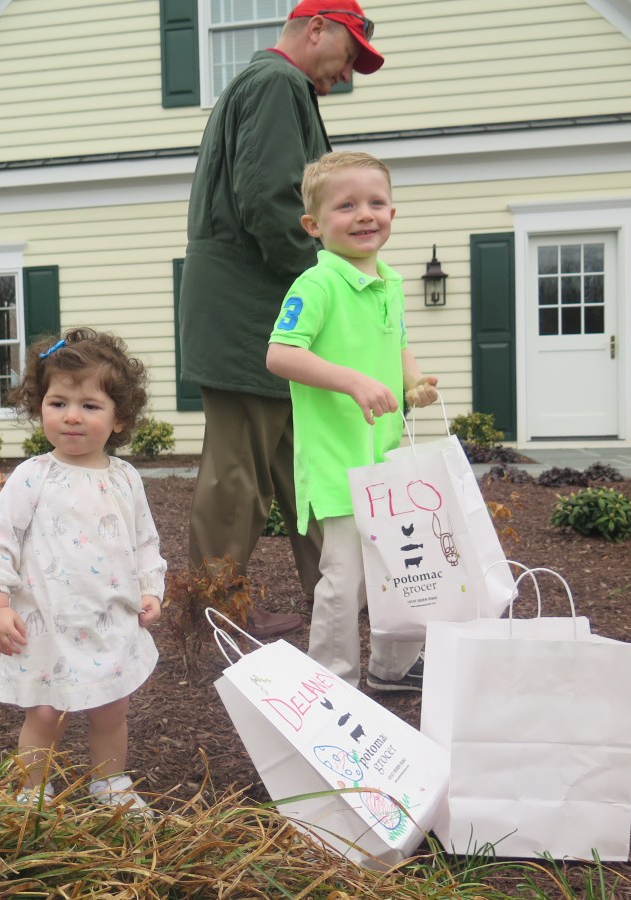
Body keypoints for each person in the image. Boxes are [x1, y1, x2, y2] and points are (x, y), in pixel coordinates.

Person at [178, 0, 385, 640]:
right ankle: (213, 613)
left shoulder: (277, 86)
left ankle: (340, 595)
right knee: (237, 474)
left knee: (306, 465)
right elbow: (272, 201)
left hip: (269, 316)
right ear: (316, 28)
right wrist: (336, 283)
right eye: (348, 55)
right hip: (250, 317)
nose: (345, 74)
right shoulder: (275, 83)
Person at [0, 327, 166, 812]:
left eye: (90, 406)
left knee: (112, 707)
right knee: (44, 712)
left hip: (109, 620)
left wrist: (151, 590)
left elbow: (144, 541)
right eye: (58, 403)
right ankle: (31, 789)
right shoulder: (33, 476)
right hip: (46, 624)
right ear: (39, 407)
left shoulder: (125, 479)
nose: (72, 416)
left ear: (120, 418)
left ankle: (110, 782)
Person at [266, 150, 439, 692]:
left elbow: (398, 343)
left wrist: (414, 382)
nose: (365, 214)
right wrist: (352, 381)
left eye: (376, 203)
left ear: (392, 213)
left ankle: (394, 667)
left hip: (385, 458)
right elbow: (280, 355)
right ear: (313, 225)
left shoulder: (390, 282)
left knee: (403, 564)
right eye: (346, 206)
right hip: (338, 462)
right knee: (345, 580)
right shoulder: (317, 286)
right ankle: (332, 681)